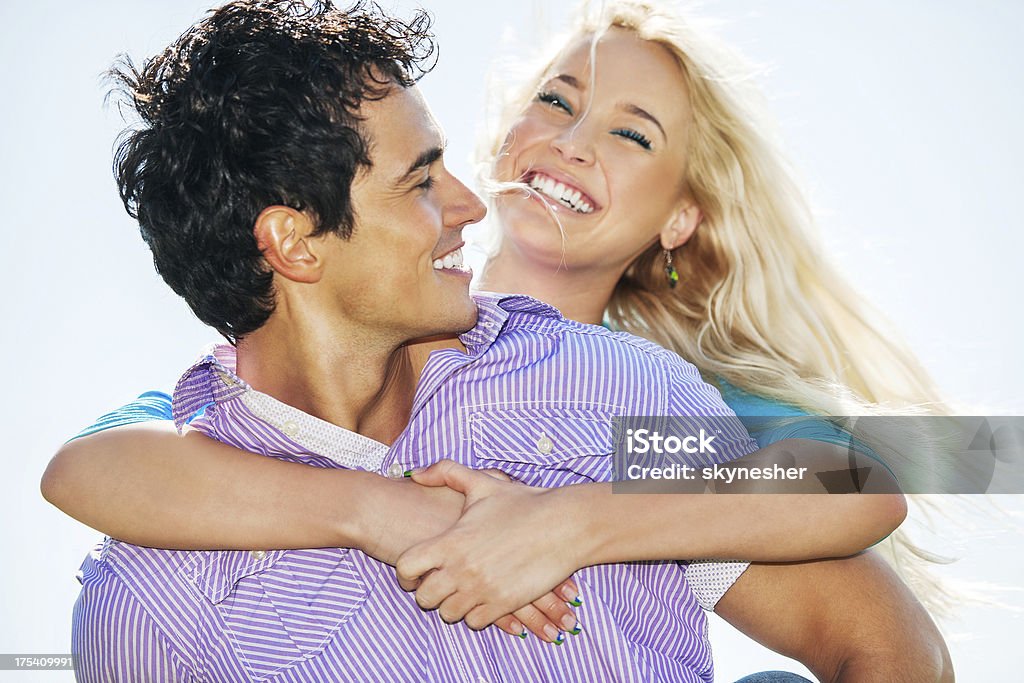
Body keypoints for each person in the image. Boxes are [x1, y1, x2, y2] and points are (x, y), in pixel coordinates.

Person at [41, 0, 951, 681]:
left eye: (632, 134)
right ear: (292, 240)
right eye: (555, 101)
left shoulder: (619, 400)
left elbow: (874, 477)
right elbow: (88, 468)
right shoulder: (193, 488)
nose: (570, 144)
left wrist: (575, 518)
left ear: (681, 220)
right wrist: (386, 509)